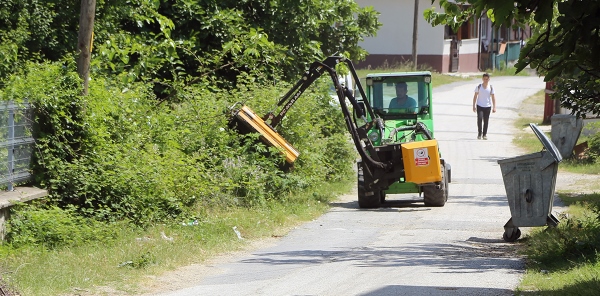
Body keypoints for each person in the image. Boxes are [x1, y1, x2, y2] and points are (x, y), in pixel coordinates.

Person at [472, 73, 496, 140]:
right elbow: (475, 96)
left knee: (486, 120)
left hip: (488, 106)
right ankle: (479, 133)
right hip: (480, 105)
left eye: (487, 79)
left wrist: (494, 107)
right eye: (484, 79)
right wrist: (473, 106)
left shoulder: (490, 87)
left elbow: (493, 97)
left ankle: (484, 134)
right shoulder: (479, 87)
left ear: (489, 79)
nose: (486, 80)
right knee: (479, 118)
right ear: (482, 79)